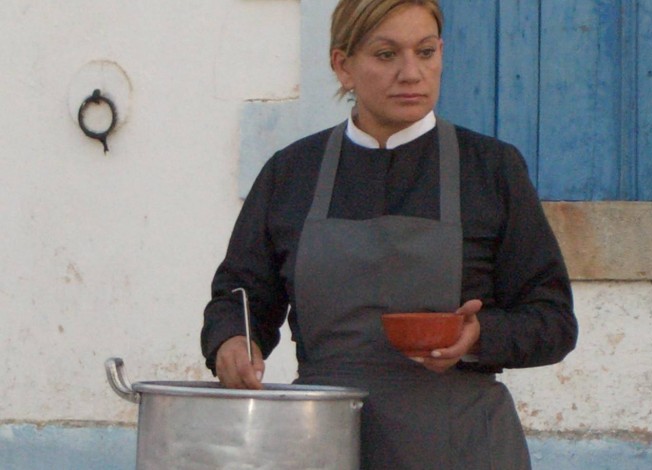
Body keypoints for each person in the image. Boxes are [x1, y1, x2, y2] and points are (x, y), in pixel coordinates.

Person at [201, 0, 578, 468]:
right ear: (343, 65)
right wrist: (233, 342)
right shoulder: (291, 172)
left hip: (462, 446)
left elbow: (554, 320)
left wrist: (479, 336)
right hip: (321, 444)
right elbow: (241, 297)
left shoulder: (492, 169)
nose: (411, 73)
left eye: (425, 52)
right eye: (386, 55)